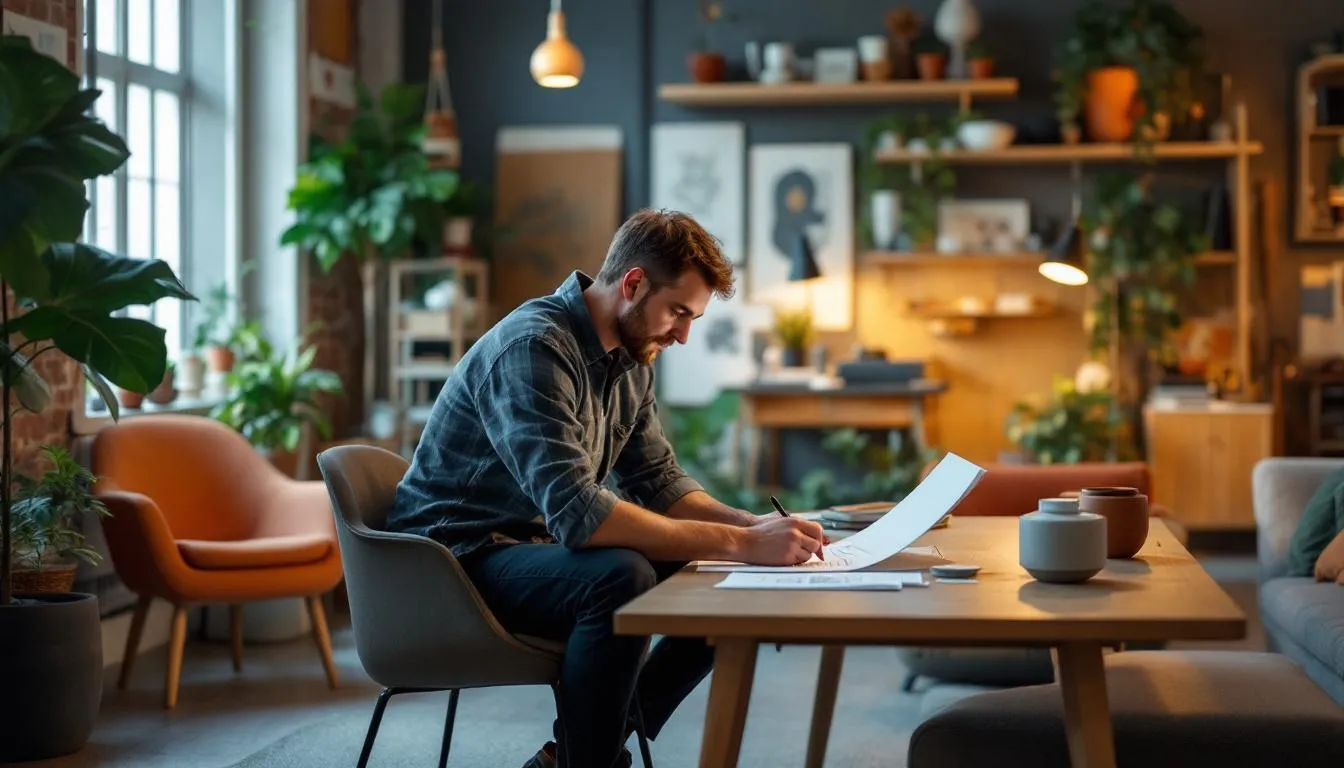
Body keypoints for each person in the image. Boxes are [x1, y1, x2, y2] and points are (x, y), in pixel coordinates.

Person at [385, 208, 827, 768]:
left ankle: (573, 755)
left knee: (722, 577)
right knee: (621, 577)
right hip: (451, 563)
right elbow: (580, 516)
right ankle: (588, 756)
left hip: (529, 549)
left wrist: (752, 529)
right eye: (678, 313)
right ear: (634, 284)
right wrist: (739, 543)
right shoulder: (534, 349)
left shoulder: (632, 355)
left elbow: (659, 481)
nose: (685, 335)